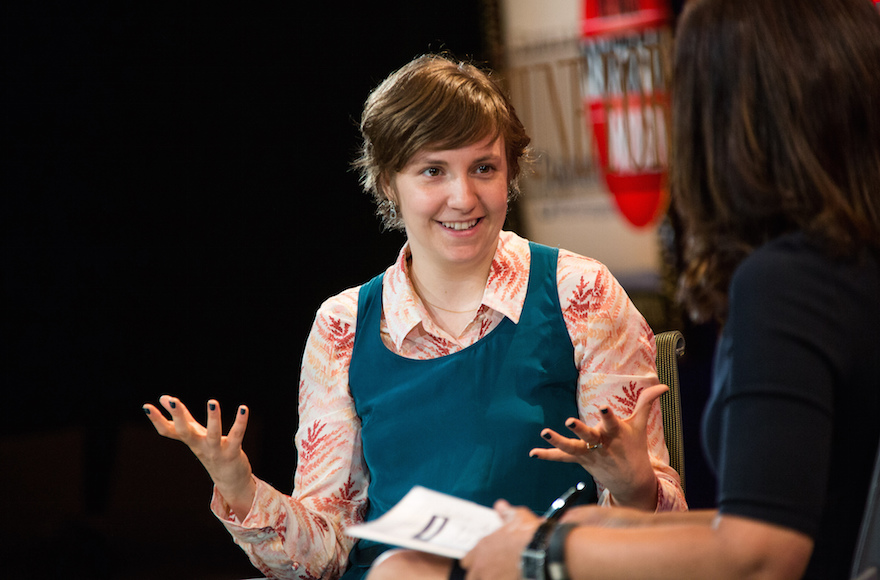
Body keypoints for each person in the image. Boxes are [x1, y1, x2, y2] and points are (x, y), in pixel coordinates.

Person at [142, 53, 686, 580]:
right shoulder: (343, 325)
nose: (463, 197)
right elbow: (325, 556)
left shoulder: (580, 292)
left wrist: (635, 483)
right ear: (387, 184)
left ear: (509, 174)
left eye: (483, 168)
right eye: (432, 171)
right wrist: (239, 486)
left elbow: (661, 541)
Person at [459, 0, 880, 579]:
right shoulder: (849, 262)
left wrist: (542, 553)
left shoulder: (788, 284)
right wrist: (612, 527)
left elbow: (761, 553)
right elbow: (804, 512)